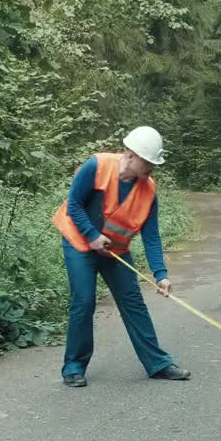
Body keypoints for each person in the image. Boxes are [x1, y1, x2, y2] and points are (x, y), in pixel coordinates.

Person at [51, 126, 191, 388]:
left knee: (133, 302)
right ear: (131, 155)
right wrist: (92, 235)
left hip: (115, 252)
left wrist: (161, 274)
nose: (152, 168)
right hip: (80, 244)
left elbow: (151, 236)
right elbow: (74, 204)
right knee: (84, 300)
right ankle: (73, 367)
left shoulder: (148, 189)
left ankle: (157, 364)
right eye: (148, 162)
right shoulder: (97, 166)